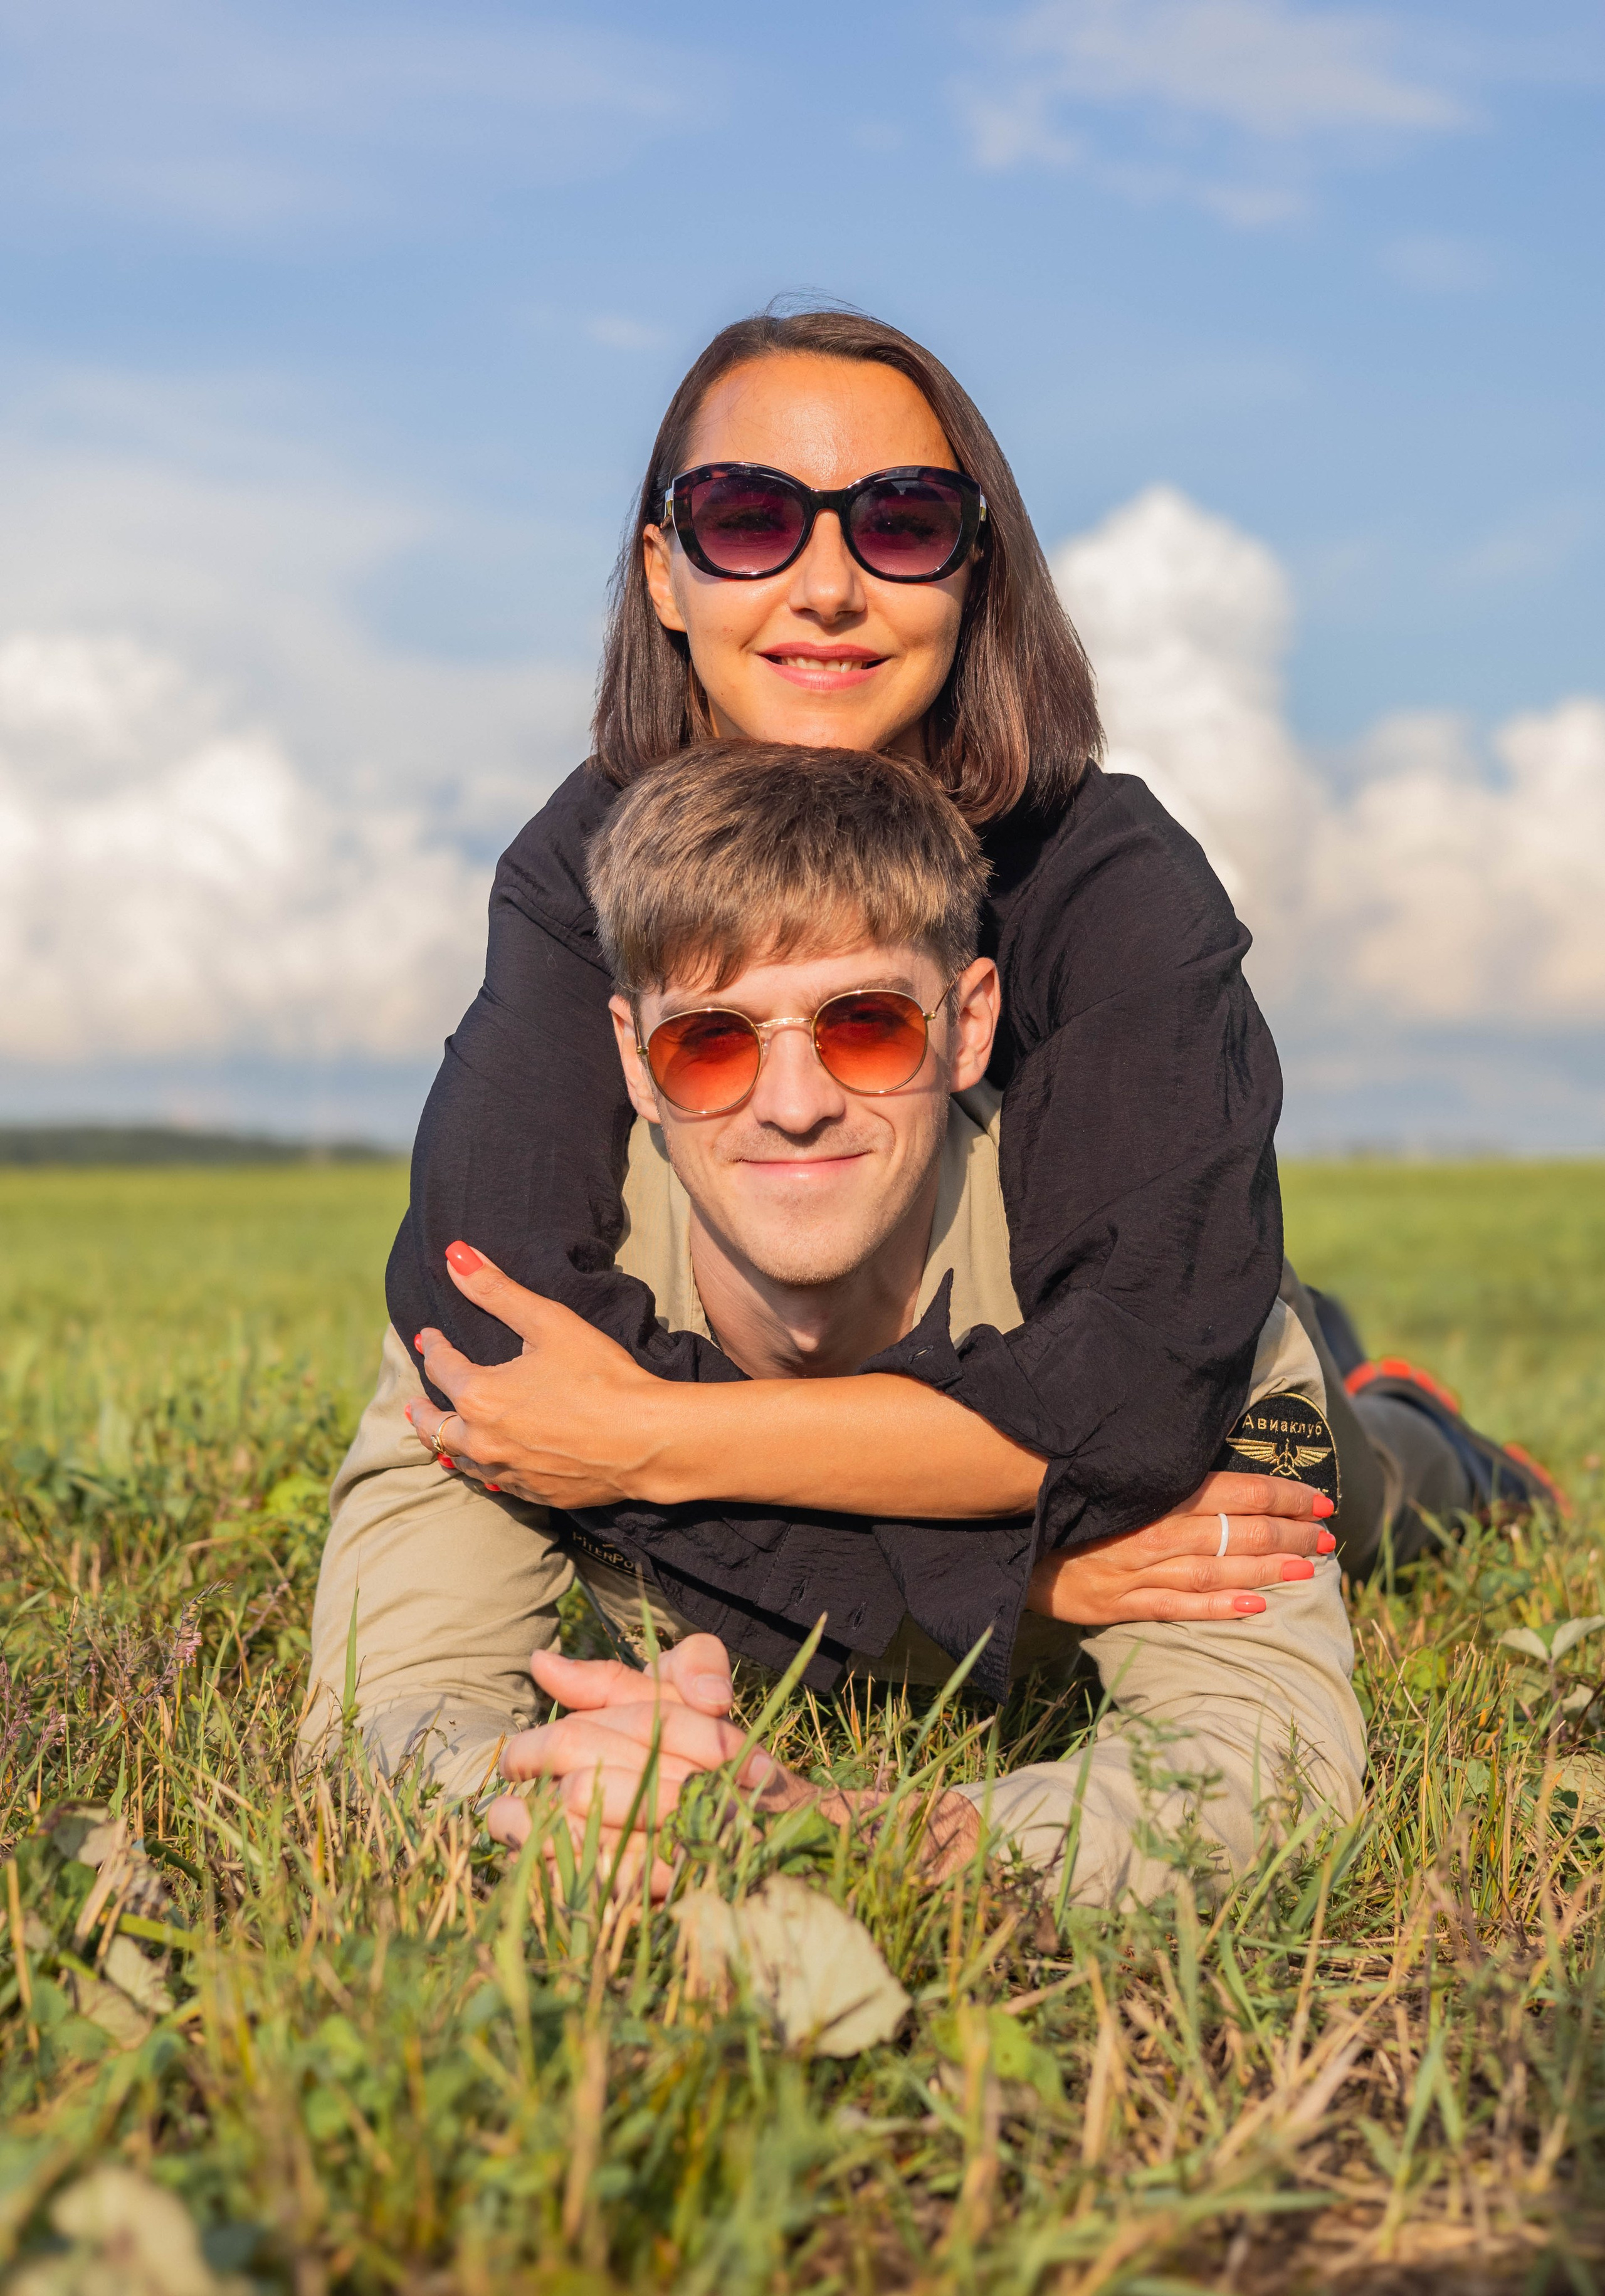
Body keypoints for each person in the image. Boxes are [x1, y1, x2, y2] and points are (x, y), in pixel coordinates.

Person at [408, 742, 1364, 1906]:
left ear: (970, 1024)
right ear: (630, 1059)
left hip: (1280, 1356)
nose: (797, 1105)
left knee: (1382, 1489)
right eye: (709, 1041)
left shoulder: (1142, 1289)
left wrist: (864, 1834)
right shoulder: (518, 1303)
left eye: (866, 1027)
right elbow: (396, 1705)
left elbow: (1266, 1755)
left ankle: (1417, 1422)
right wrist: (566, 1797)